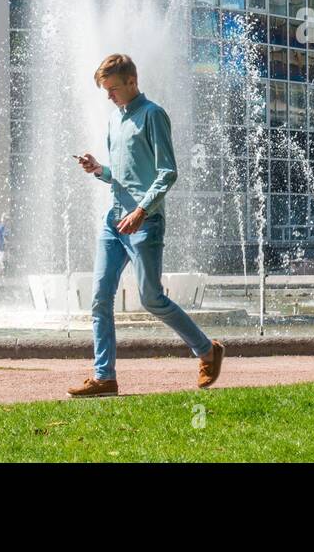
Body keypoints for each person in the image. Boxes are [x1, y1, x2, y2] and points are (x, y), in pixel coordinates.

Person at [67, 53, 224, 398]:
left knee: (151, 298)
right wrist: (99, 169)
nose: (109, 96)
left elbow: (168, 172)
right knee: (99, 298)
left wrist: (140, 211)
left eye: (112, 89)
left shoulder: (153, 115)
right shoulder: (114, 120)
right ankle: (104, 377)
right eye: (105, 90)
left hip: (144, 222)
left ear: (132, 82)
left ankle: (207, 350)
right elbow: (122, 177)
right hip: (113, 221)